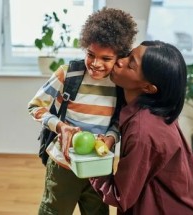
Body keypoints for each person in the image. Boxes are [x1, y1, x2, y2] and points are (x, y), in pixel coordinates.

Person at [28, 7, 138, 215]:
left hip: (99, 167)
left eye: (106, 59)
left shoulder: (119, 84)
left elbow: (118, 121)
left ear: (119, 58)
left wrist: (111, 138)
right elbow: (35, 106)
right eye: (91, 54)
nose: (96, 64)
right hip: (63, 164)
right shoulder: (68, 74)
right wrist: (60, 126)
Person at [90, 40, 193, 215]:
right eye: (128, 55)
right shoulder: (149, 112)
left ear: (148, 87)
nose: (119, 61)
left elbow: (119, 196)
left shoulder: (143, 131)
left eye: (130, 64)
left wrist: (90, 164)